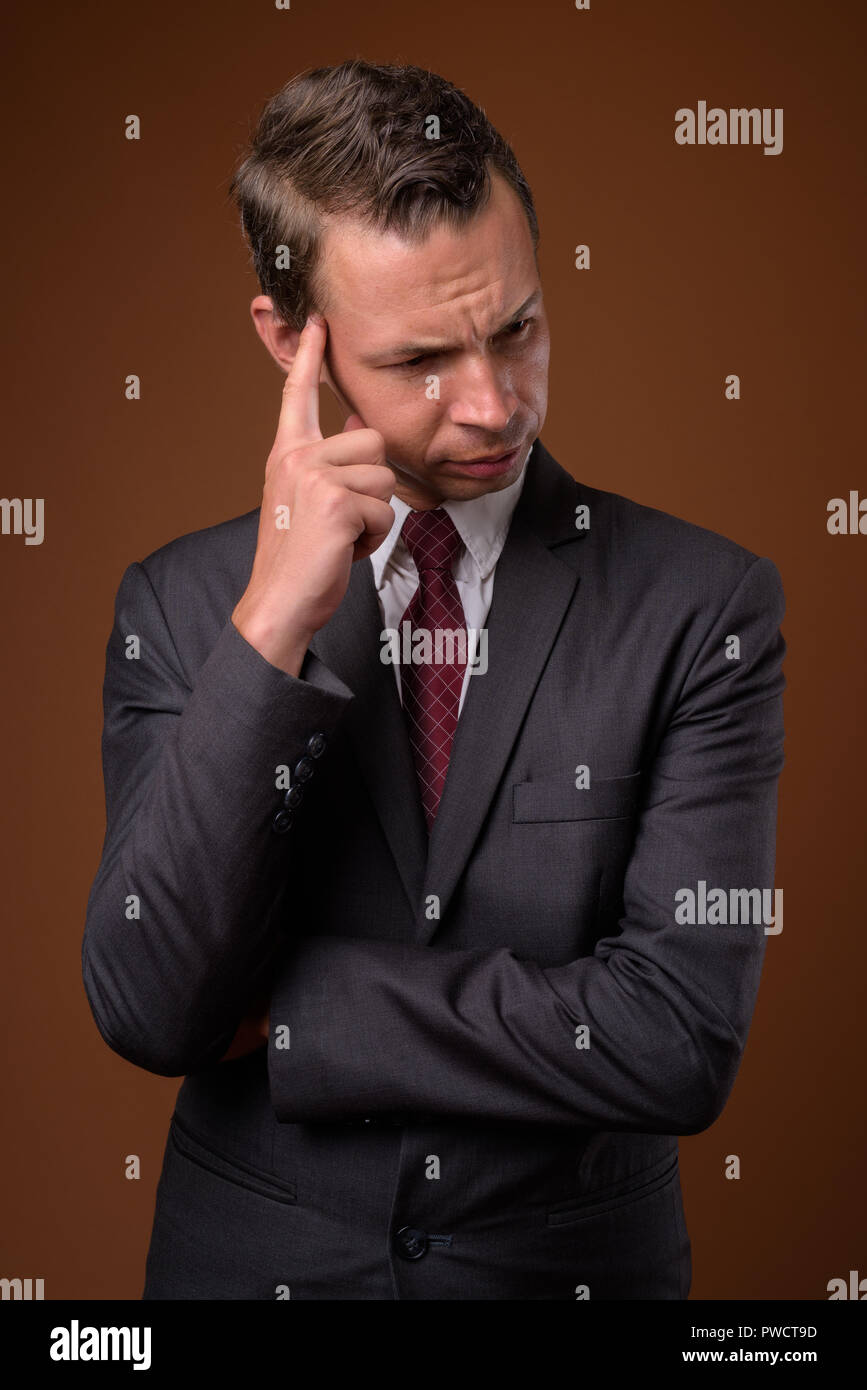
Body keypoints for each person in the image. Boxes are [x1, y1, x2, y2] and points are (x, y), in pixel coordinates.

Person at [82, 59, 786, 1300]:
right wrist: (272, 628)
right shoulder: (184, 609)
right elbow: (148, 1005)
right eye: (421, 360)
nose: (494, 403)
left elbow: (676, 1039)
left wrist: (295, 1012)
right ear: (292, 342)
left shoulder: (705, 606)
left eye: (516, 326)